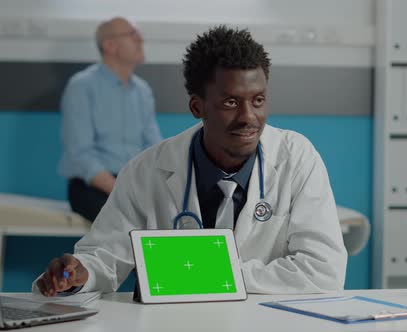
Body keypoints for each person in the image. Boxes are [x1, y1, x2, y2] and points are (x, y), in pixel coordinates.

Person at [35, 25, 347, 296]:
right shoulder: (147, 171)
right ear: (197, 107)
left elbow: (324, 271)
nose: (248, 117)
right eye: (230, 102)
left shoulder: (296, 158)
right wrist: (78, 273)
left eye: (258, 100)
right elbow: (104, 257)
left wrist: (200, 275)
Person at [58, 17, 162, 222]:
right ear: (110, 45)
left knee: (178, 216)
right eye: (132, 34)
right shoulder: (81, 86)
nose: (140, 39)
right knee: (130, 223)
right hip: (92, 187)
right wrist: (123, 192)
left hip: (134, 186)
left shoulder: (142, 91)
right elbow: (81, 155)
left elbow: (155, 149)